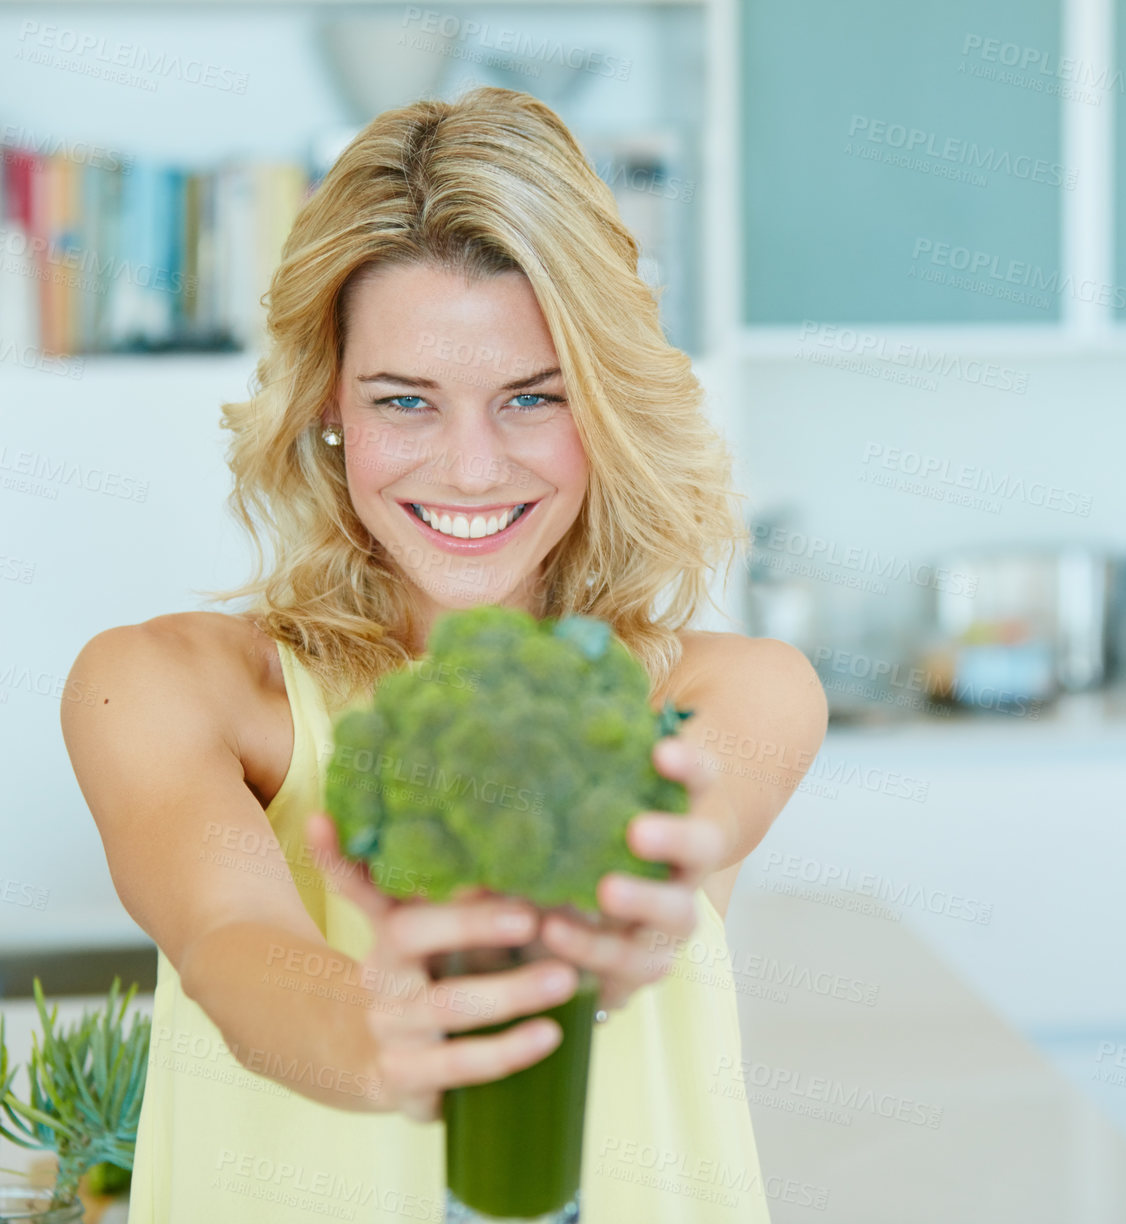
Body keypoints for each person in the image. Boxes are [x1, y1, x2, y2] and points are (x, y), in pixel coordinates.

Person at [59, 85, 828, 1223]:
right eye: (405, 401)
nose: (471, 470)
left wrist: (608, 926)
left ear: (605, 404)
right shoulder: (166, 690)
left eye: (531, 397)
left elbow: (671, 856)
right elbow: (229, 940)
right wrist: (378, 1029)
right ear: (329, 400)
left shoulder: (729, 695)